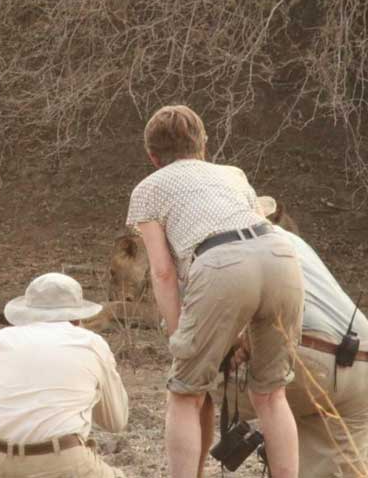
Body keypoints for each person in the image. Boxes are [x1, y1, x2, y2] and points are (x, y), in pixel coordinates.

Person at [125, 105, 304, 478]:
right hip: (282, 255)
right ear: (203, 144)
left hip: (220, 264)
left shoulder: (148, 189)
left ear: (151, 155)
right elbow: (252, 245)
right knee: (271, 394)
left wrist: (179, 334)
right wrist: (237, 335)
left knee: (185, 394)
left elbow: (162, 272)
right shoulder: (233, 174)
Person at [216, 195, 368, 478]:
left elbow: (201, 338)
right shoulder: (294, 242)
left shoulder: (230, 246)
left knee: (194, 377)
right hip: (361, 368)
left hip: (309, 359)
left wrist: (235, 344)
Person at [0, 272, 129, 478]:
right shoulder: (92, 344)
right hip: (60, 462)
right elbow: (115, 422)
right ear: (78, 317)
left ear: (26, 313)